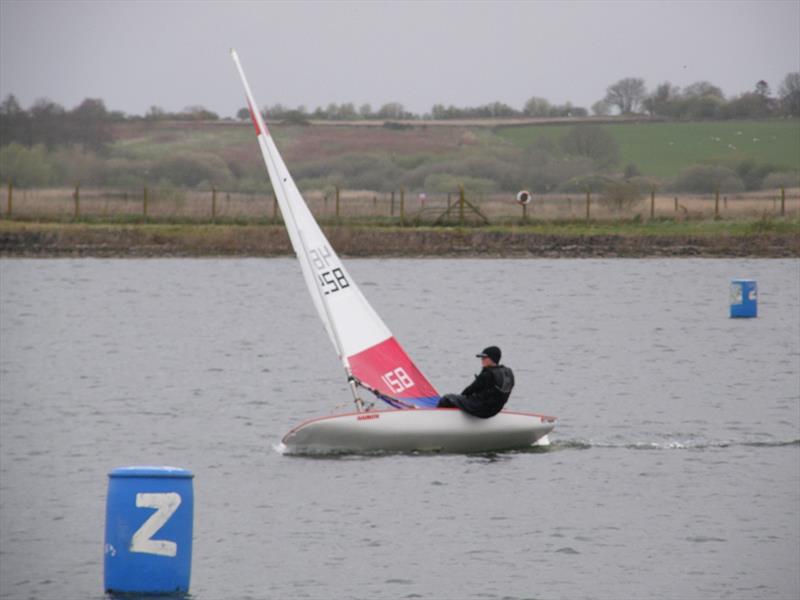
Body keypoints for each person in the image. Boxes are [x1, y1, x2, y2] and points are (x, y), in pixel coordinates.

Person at [437, 346, 514, 418]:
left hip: (482, 410)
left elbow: (468, 391)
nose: (482, 360)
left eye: (484, 358)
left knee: (447, 398)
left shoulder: (487, 374)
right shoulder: (508, 372)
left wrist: (459, 401)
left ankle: (439, 418)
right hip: (496, 409)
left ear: (491, 358)